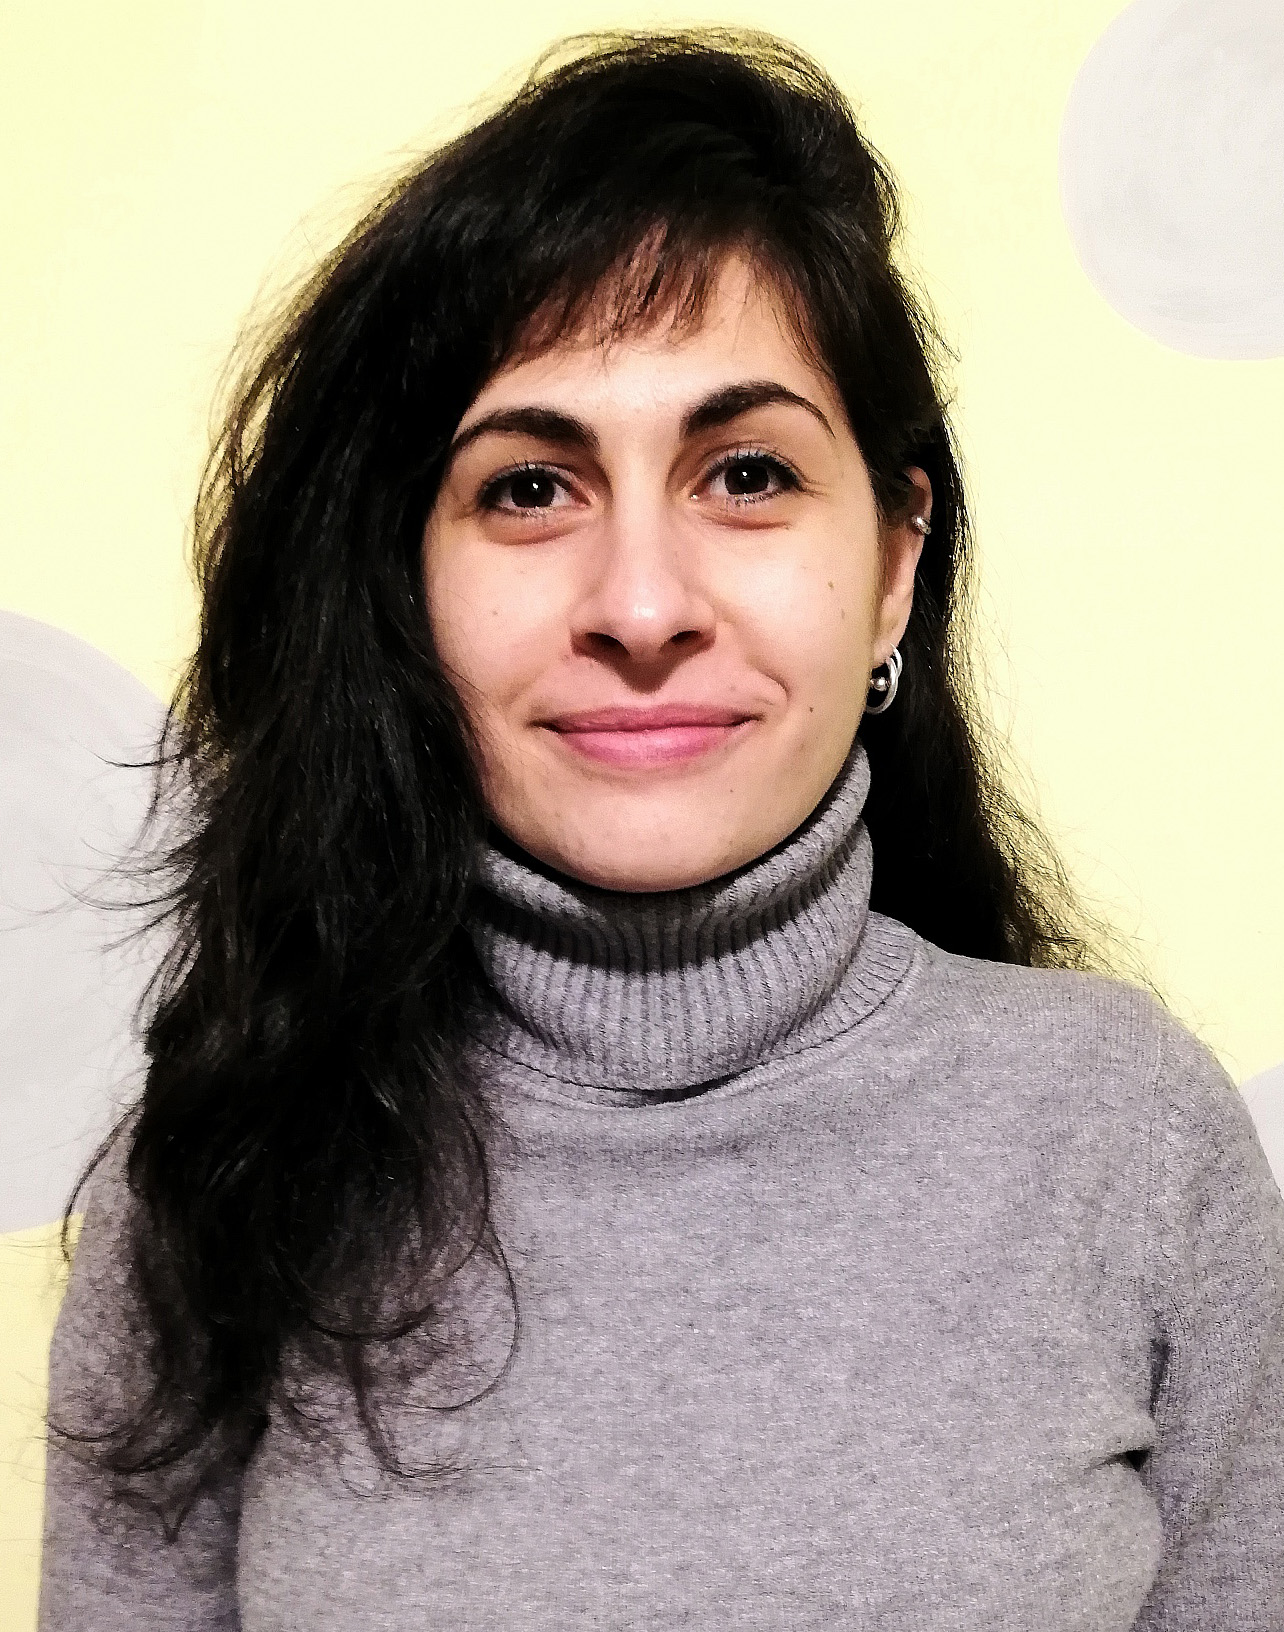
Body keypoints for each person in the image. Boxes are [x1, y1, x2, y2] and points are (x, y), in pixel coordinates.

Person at [37, 26, 1284, 1631]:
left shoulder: (1126, 1136)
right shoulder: (226, 1165)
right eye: (529, 489)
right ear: (406, 580)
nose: (640, 605)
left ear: (895, 564)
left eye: (747, 474)